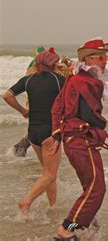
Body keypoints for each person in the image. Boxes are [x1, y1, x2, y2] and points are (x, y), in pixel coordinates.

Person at [52, 38, 108, 240]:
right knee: (97, 188)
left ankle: (90, 225)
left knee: (90, 185)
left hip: (71, 139)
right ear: (88, 59)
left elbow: (57, 107)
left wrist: (57, 134)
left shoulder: (74, 79)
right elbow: (91, 115)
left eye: (106, 57)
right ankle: (67, 229)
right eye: (101, 57)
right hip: (81, 139)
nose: (105, 61)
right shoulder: (89, 81)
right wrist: (101, 127)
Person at [3, 48, 65, 215]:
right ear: (53, 65)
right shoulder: (60, 80)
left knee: (47, 172)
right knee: (51, 174)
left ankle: (53, 206)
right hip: (50, 133)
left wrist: (23, 111)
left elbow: (7, 95)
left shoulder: (28, 80)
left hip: (33, 133)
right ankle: (27, 201)